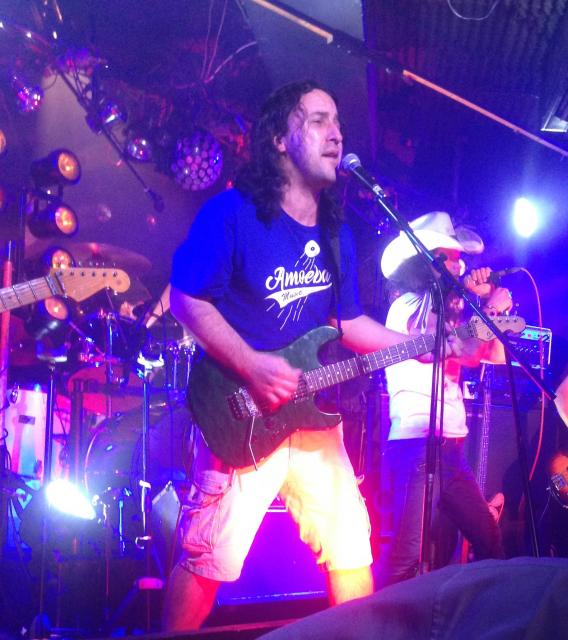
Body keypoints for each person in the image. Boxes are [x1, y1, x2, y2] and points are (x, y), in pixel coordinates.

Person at [161, 81, 460, 631]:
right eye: (319, 120)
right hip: (241, 413)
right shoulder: (233, 213)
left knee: (351, 548)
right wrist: (252, 365)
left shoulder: (337, 233)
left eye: (338, 121)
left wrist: (422, 349)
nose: (336, 133)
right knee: (209, 557)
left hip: (311, 418)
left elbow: (349, 324)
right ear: (279, 138)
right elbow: (186, 299)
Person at [378, 211, 512, 587]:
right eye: (450, 258)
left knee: (488, 537)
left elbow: (485, 355)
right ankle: (368, 615)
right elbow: (442, 345)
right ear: (429, 263)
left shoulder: (453, 313)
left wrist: (486, 310)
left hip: (451, 449)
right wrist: (486, 308)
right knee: (407, 555)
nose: (459, 265)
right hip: (418, 444)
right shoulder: (407, 306)